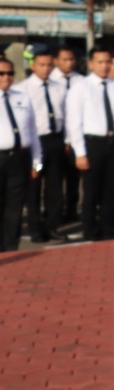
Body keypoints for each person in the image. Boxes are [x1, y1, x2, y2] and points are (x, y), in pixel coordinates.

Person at [65, 46, 114, 242]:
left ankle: (107, 228)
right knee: (91, 191)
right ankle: (89, 229)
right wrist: (80, 153)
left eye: (108, 62)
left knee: (111, 190)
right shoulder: (81, 87)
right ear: (91, 64)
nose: (105, 66)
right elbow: (74, 122)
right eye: (100, 62)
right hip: (92, 144)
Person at [21, 46, 67, 242]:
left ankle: (52, 225)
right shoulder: (23, 89)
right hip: (35, 143)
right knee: (34, 186)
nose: (46, 69)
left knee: (55, 186)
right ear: (33, 66)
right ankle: (34, 227)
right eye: (42, 65)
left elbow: (66, 115)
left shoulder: (59, 87)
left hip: (55, 140)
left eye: (49, 65)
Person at [0, 58, 41, 251]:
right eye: (1, 74)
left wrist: (37, 162)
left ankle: (10, 246)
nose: (6, 78)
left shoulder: (22, 98)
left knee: (15, 205)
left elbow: (32, 132)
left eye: (10, 73)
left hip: (20, 157)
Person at [55, 45, 82, 220]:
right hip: (55, 136)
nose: (69, 63)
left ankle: (71, 210)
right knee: (55, 179)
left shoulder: (81, 81)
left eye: (71, 59)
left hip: (74, 137)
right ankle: (53, 212)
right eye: (65, 59)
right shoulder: (50, 80)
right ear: (56, 61)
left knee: (74, 178)